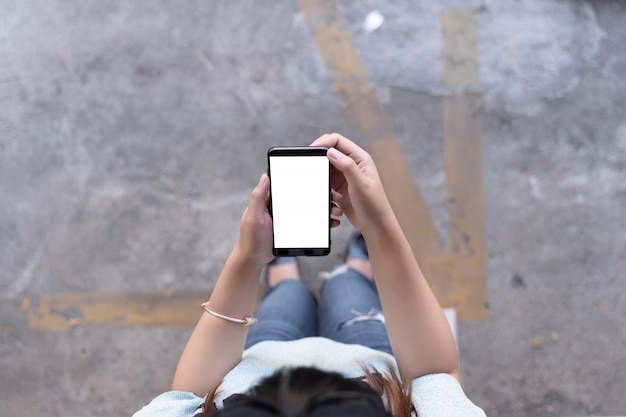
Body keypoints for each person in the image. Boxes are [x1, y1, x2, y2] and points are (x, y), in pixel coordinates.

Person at [133, 133, 486, 417]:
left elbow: (188, 397)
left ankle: (287, 278)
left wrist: (248, 258)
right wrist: (379, 228)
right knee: (346, 288)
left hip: (266, 351)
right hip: (370, 359)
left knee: (290, 295)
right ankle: (354, 271)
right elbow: (435, 376)